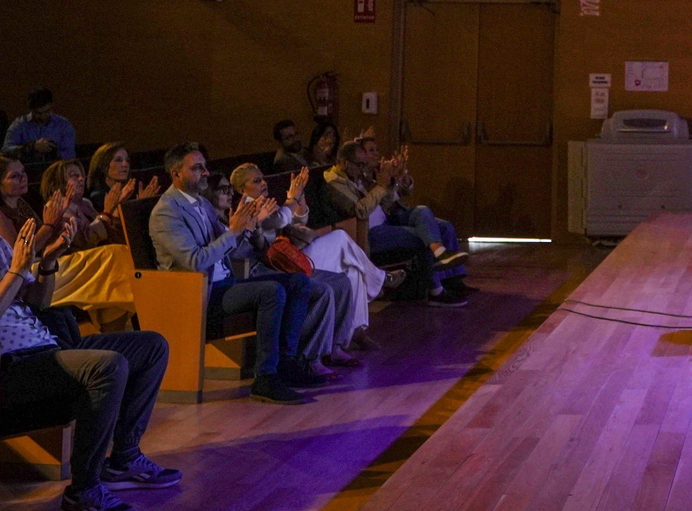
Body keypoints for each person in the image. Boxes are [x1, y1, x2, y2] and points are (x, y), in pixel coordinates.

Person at [0, 172, 179, 511]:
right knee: (107, 366)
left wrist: (48, 262)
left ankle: (124, 459)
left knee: (152, 345)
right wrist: (15, 271)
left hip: (46, 350)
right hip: (3, 370)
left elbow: (38, 302)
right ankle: (84, 491)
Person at [147, 142, 335, 404]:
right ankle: (265, 377)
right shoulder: (166, 213)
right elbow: (194, 261)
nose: (205, 172)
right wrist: (235, 231)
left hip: (224, 282)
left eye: (204, 167)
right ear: (176, 174)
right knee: (271, 291)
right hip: (198, 294)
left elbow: (231, 247)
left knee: (298, 282)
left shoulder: (201, 203)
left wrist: (248, 229)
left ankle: (287, 363)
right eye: (197, 168)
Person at [234, 162, 394, 353]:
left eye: (263, 178)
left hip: (292, 255)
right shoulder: (247, 208)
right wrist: (292, 198)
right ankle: (380, 278)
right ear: (241, 189)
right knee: (340, 238)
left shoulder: (264, 201)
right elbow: (279, 220)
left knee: (352, 270)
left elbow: (295, 222)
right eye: (256, 181)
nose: (263, 183)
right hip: (279, 265)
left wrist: (299, 201)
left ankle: (354, 332)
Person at [315, 139, 471, 305]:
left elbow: (386, 203)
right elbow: (360, 211)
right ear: (344, 163)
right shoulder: (334, 182)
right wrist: (381, 186)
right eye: (359, 165)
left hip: (388, 220)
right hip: (370, 233)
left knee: (431, 216)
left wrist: (391, 182)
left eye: (364, 164)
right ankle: (435, 291)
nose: (362, 169)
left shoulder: (356, 176)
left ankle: (449, 273)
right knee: (423, 236)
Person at [39, 159, 135, 319]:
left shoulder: (85, 203)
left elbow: (108, 233)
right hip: (71, 267)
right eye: (74, 176)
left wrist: (117, 206)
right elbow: (82, 241)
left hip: (94, 261)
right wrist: (106, 212)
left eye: (82, 175)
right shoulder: (55, 207)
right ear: (58, 182)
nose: (81, 179)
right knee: (115, 256)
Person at [86, 143, 163, 230]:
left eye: (127, 160)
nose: (125, 164)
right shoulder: (98, 197)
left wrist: (142, 203)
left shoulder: (130, 191)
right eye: (118, 160)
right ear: (103, 165)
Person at [5, 88, 78, 160]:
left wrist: (52, 153)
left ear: (51, 105)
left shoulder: (63, 125)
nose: (43, 116)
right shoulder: (19, 125)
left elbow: (69, 155)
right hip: (26, 167)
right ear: (30, 109)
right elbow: (6, 150)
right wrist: (31, 147)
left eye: (47, 111)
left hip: (56, 166)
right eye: (38, 113)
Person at [0, 152, 40, 245]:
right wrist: (49, 227)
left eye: (23, 171)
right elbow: (15, 251)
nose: (23, 178)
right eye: (14, 176)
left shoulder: (19, 201)